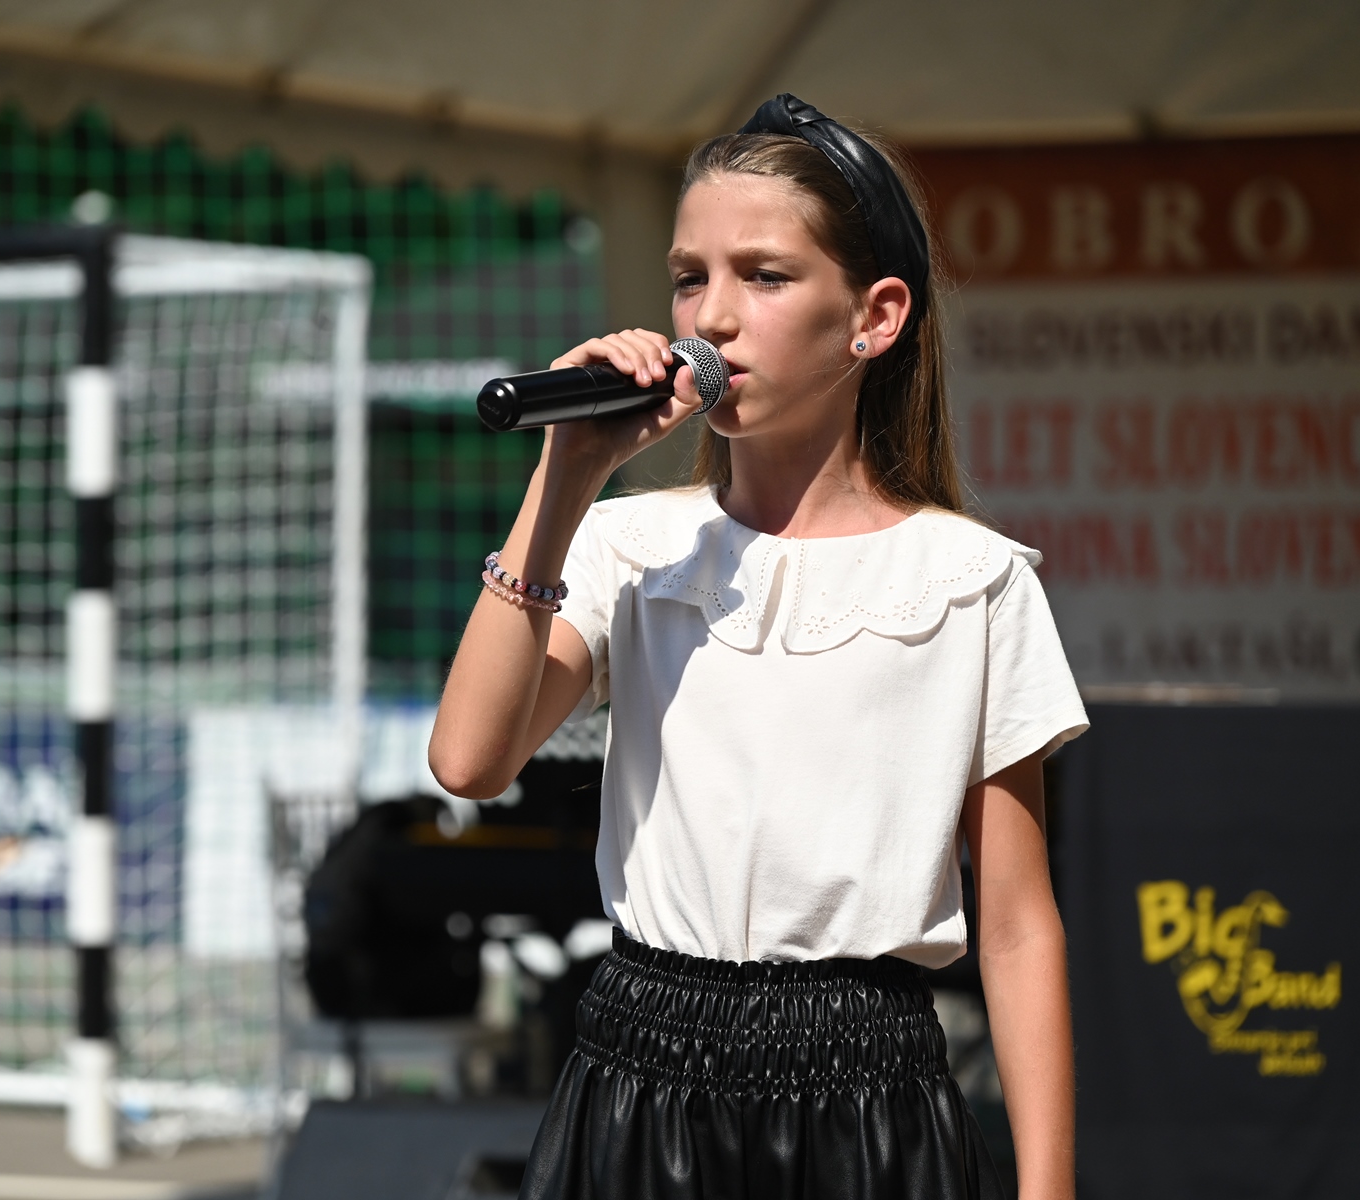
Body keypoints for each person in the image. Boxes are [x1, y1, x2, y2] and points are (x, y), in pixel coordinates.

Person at [430, 94, 1088, 1200]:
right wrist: (566, 472)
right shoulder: (628, 543)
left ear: (875, 316)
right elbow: (468, 759)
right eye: (690, 278)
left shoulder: (971, 580)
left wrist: (1048, 1189)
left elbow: (1017, 925)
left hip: (866, 1100)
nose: (714, 317)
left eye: (765, 277)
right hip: (637, 1082)